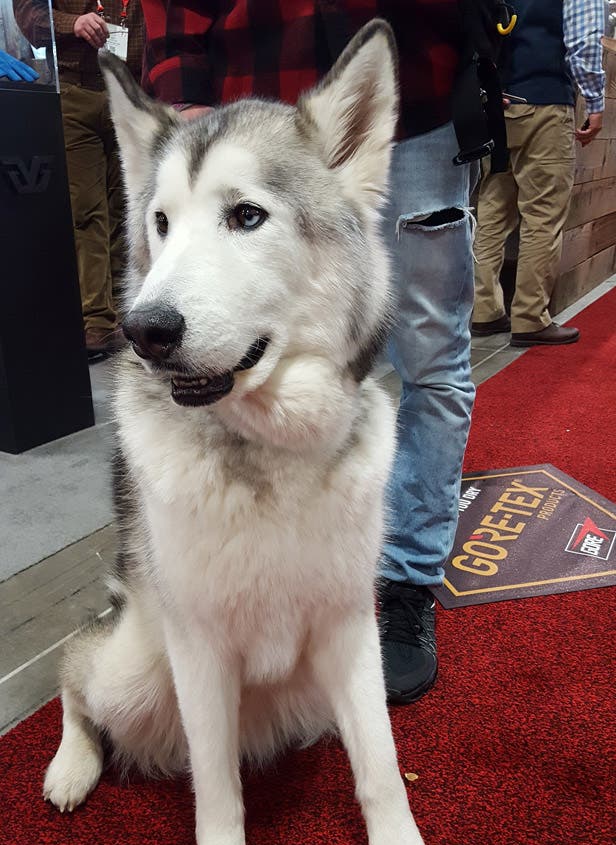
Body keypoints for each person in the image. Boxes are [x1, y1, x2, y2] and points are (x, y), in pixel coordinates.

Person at [138, 0, 478, 704]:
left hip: (408, 97)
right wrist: (181, 91)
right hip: (248, 91)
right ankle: (268, 590)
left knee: (432, 355)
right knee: (237, 369)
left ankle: (406, 583)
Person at [14, 0, 145, 359]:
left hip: (129, 93)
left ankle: (126, 313)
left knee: (129, 207)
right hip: (75, 93)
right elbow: (28, 15)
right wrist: (73, 23)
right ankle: (96, 323)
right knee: (87, 212)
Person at [472, 0, 606, 348]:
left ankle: (484, 311)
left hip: (497, 105)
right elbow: (584, 41)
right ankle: (530, 317)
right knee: (543, 215)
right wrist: (594, 102)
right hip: (544, 105)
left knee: (491, 212)